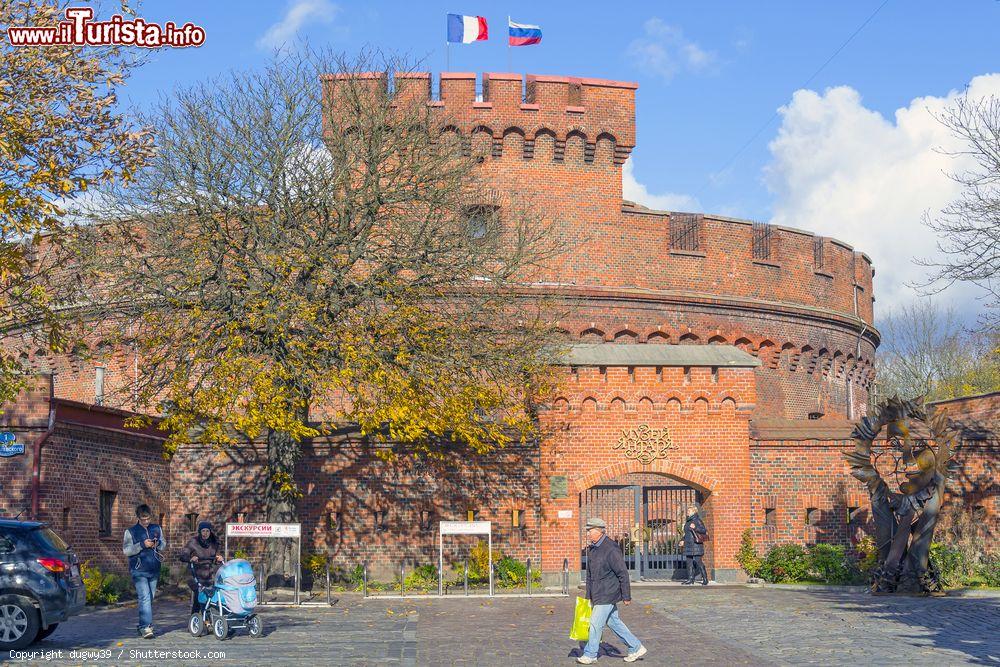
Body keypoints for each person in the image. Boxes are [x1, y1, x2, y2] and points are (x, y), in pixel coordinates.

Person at [577, 517, 647, 664]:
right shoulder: (593, 548)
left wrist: (626, 595)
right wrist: (588, 595)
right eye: (588, 531)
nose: (588, 534)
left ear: (599, 531)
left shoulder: (611, 549)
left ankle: (590, 654)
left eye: (590, 531)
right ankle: (636, 647)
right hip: (598, 593)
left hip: (607, 593)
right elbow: (590, 575)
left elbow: (622, 573)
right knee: (614, 623)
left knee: (595, 623)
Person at [122, 504, 165, 638]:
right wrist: (142, 545)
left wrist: (157, 544)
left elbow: (164, 544)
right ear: (138, 518)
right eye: (143, 519)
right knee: (145, 597)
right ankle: (146, 627)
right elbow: (127, 551)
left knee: (149, 598)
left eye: (148, 519)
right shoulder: (130, 532)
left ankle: (142, 625)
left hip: (154, 568)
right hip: (138, 570)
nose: (146, 522)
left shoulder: (156, 528)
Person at [178, 520, 224, 614]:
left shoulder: (214, 543)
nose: (205, 533)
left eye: (207, 531)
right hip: (194, 574)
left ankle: (197, 620)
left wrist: (218, 559)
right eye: (203, 531)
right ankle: (204, 620)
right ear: (200, 531)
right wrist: (191, 558)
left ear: (210, 531)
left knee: (204, 598)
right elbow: (182, 556)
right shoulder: (193, 542)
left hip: (208, 575)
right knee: (201, 595)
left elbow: (215, 559)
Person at [678, 504, 709, 586]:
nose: (687, 512)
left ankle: (705, 578)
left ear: (693, 511)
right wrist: (682, 540)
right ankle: (690, 579)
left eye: (689, 511)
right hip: (688, 544)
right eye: (687, 510)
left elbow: (704, 530)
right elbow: (687, 534)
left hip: (696, 545)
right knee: (689, 563)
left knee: (699, 562)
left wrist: (695, 527)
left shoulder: (697, 520)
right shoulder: (688, 521)